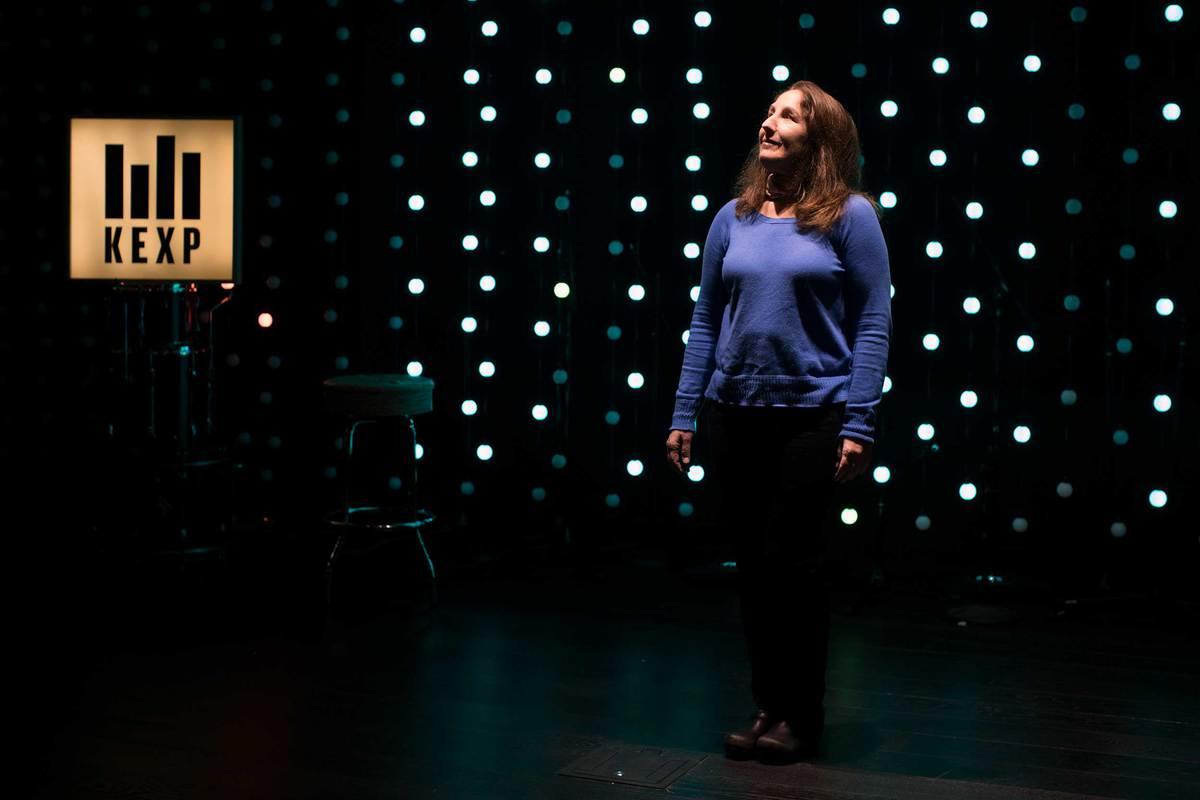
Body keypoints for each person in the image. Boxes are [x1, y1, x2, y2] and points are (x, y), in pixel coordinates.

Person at [664, 80, 892, 763]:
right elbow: (705, 318)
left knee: (794, 568)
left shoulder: (849, 216)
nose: (770, 121)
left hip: (811, 417)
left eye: (789, 115)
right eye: (769, 109)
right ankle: (768, 705)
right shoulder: (732, 216)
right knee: (755, 570)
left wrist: (860, 421)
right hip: (736, 413)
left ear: (818, 141)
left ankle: (801, 715)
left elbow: (874, 318)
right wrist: (685, 410)